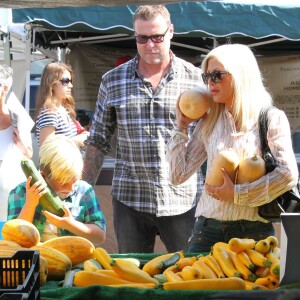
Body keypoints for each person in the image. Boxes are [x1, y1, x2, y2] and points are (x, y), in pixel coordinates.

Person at [83, 5, 204, 253]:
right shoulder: (113, 80)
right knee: (133, 281)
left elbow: (211, 137)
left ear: (171, 32)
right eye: (142, 38)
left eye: (157, 37)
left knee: (191, 277)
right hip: (130, 200)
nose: (150, 45)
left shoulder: (196, 79)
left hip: (183, 199)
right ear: (135, 37)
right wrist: (82, 193)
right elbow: (98, 140)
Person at [167, 43, 299, 252]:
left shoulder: (271, 118)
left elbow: (288, 174)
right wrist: (181, 127)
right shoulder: (210, 121)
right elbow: (178, 175)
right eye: (206, 76)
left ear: (240, 75)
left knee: (255, 286)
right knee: (193, 285)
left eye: (217, 75)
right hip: (207, 228)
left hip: (254, 232)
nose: (210, 82)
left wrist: (238, 194)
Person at [7, 135, 106, 246]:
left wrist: (70, 224)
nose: (70, 187)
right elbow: (13, 239)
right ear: (43, 175)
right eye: (63, 182)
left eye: (75, 180)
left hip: (74, 260)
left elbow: (100, 237)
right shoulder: (20, 193)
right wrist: (30, 204)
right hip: (36, 260)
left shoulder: (85, 192)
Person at [0, 65, 33, 221]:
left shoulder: (18, 118)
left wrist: (20, 143)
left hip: (12, 205)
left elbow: (29, 154)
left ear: (4, 88)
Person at [35, 62, 89, 149]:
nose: (70, 85)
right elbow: (46, 149)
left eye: (70, 81)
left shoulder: (64, 110)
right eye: (66, 81)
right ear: (52, 83)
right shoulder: (49, 113)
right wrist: (76, 141)